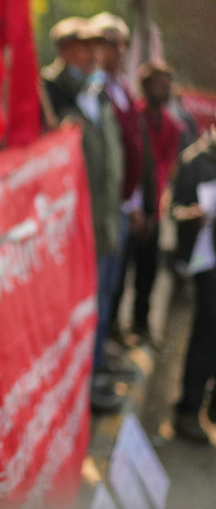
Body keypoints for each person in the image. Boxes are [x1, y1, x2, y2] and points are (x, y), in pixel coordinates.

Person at [41, 16, 125, 411]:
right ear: (63, 50)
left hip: (105, 220)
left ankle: (92, 378)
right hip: (73, 229)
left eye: (97, 47)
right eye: (83, 46)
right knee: (73, 314)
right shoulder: (49, 93)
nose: (93, 54)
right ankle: (77, 392)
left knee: (101, 306)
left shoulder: (98, 92)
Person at [85, 12, 142, 357]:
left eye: (121, 43)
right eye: (108, 42)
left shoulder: (121, 87)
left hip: (120, 207)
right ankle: (90, 373)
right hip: (98, 211)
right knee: (94, 292)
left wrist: (135, 202)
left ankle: (101, 362)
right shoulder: (95, 90)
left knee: (109, 289)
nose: (116, 50)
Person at [126, 60, 181, 347]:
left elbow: (167, 166)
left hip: (155, 206)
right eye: (160, 84)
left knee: (148, 271)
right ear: (146, 86)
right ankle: (116, 327)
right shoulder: (132, 116)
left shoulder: (171, 125)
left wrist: (158, 204)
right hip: (131, 204)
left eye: (168, 84)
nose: (165, 90)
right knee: (123, 271)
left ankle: (141, 323)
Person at [170, 118, 216, 443]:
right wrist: (190, 215)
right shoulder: (195, 162)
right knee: (207, 332)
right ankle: (188, 409)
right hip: (207, 261)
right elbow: (173, 208)